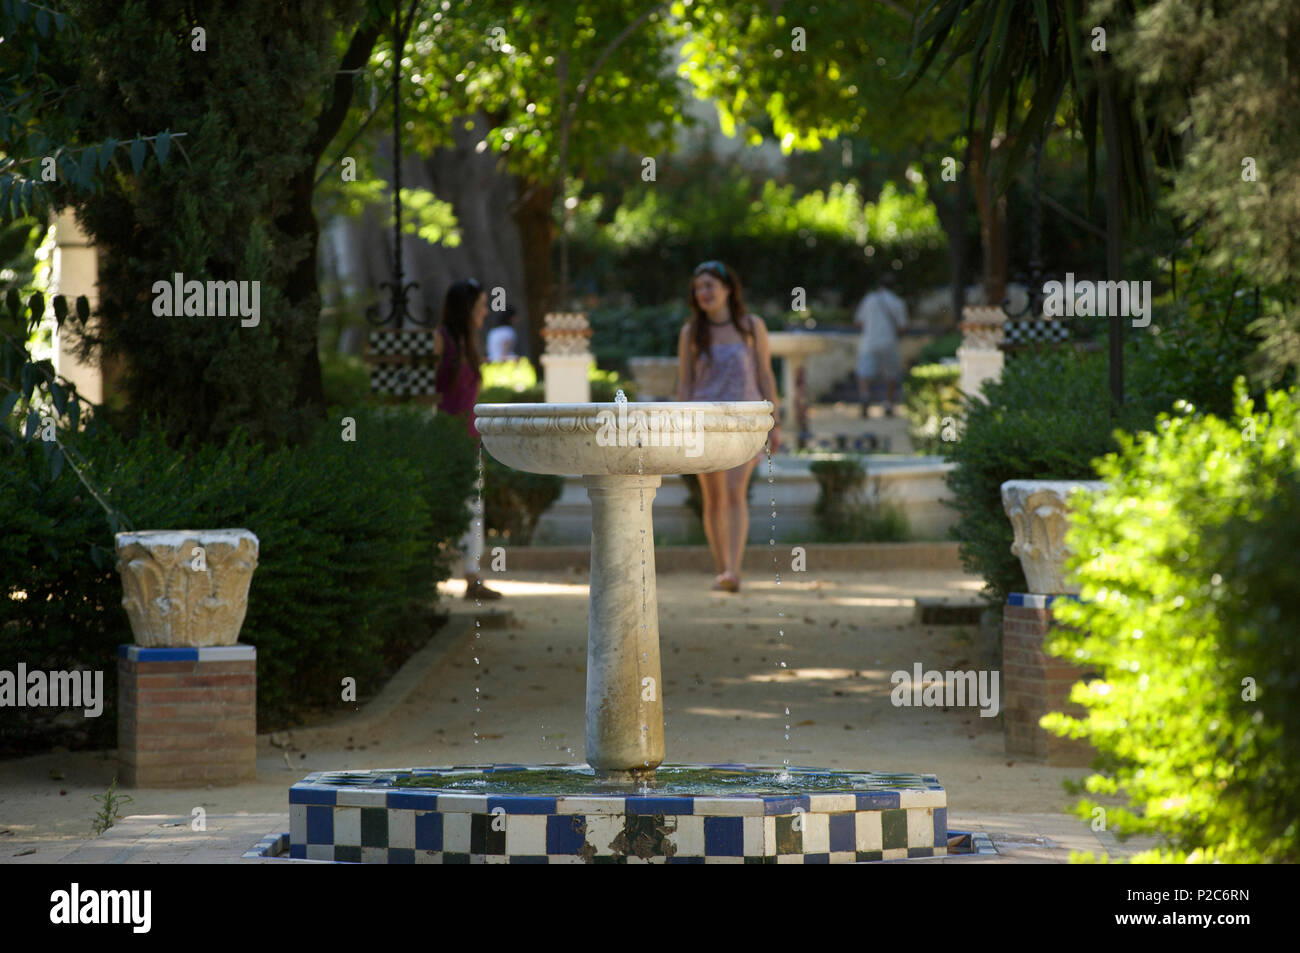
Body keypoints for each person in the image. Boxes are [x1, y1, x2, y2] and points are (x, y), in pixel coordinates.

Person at [676, 260, 781, 593]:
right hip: (704, 421)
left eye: (709, 285)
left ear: (728, 288)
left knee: (736, 493)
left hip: (744, 421)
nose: (703, 293)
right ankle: (721, 568)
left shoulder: (751, 326)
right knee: (715, 497)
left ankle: (734, 570)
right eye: (698, 288)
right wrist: (680, 425)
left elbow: (764, 374)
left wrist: (773, 422)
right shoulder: (692, 332)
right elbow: (686, 383)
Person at [433, 278, 502, 601]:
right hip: (445, 441)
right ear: (466, 309)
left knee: (473, 508)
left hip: (470, 442)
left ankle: (472, 576)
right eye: (480, 306)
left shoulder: (469, 345)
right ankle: (430, 575)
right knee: (442, 508)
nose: (485, 312)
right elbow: (425, 392)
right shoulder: (441, 340)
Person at [853, 272, 908, 416]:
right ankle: (888, 404)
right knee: (891, 375)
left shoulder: (870, 299)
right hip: (889, 343)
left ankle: (865, 397)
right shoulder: (898, 302)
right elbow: (902, 327)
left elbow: (858, 322)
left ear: (879, 285)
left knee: (864, 373)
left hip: (869, 342)